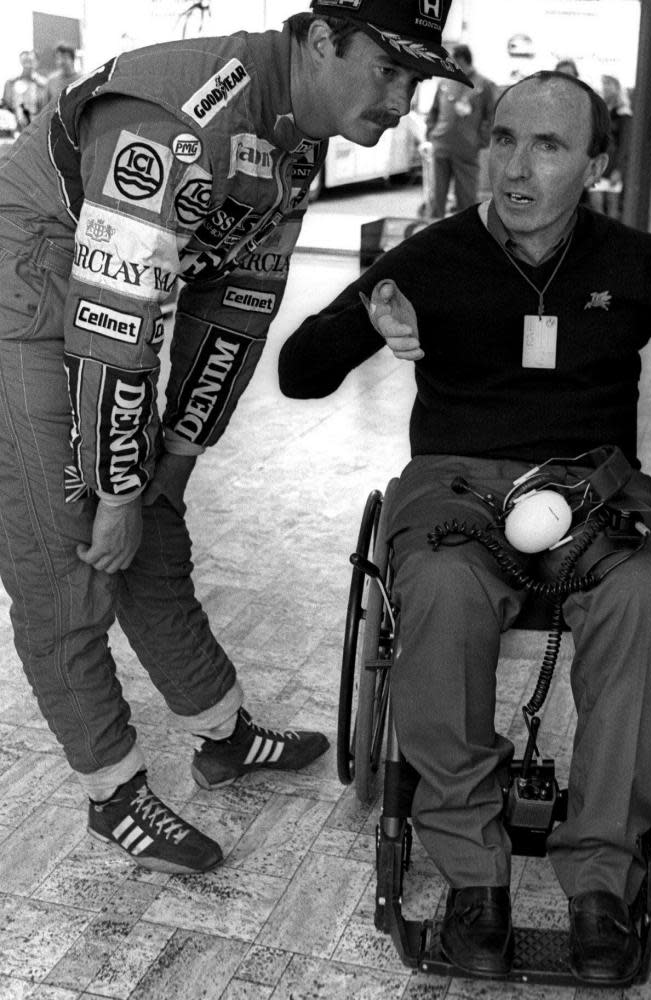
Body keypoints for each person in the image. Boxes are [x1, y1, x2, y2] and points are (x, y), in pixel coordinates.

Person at [278, 71, 651, 984]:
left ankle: (598, 880)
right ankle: (475, 876)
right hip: (456, 483)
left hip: (593, 485)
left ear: (593, 164)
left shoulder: (629, 262)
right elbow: (300, 377)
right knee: (436, 590)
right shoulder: (428, 258)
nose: (514, 166)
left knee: (639, 597)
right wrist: (363, 312)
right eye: (504, 138)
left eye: (546, 147)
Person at [0, 0, 470, 877]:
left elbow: (236, 313)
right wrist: (111, 489)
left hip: (114, 300)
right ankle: (115, 791)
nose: (404, 100)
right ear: (322, 40)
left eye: (416, 79)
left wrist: (172, 463)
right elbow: (114, 316)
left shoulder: (295, 139)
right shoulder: (181, 120)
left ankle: (221, 735)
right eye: (390, 71)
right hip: (26, 300)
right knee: (67, 556)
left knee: (155, 528)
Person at [425, 43, 494, 218]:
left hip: (466, 150)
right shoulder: (445, 83)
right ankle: (432, 234)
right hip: (441, 147)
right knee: (436, 197)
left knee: (466, 199)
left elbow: (492, 116)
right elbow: (433, 111)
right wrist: (431, 133)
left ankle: (465, 237)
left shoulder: (483, 85)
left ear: (461, 59)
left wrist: (481, 140)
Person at [588, 73, 632, 219]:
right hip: (597, 163)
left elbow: (625, 145)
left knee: (612, 204)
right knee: (596, 204)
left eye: (609, 84)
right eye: (604, 84)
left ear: (617, 88)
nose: (605, 88)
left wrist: (619, 169)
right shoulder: (598, 110)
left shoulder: (623, 114)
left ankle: (612, 240)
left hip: (613, 164)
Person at [1, 49, 46, 131]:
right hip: (14, 129)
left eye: (31, 61)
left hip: (37, 129)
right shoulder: (10, 83)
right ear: (21, 62)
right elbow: (6, 105)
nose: (28, 65)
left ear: (37, 63)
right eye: (25, 61)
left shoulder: (43, 85)